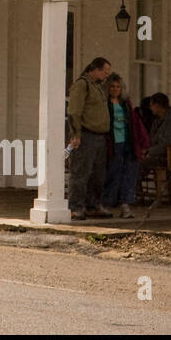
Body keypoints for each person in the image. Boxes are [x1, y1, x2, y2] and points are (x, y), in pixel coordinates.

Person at [67, 57, 113, 220]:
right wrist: (75, 134)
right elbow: (74, 111)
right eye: (105, 72)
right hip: (86, 135)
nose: (106, 76)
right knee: (80, 173)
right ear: (95, 69)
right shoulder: (82, 85)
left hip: (100, 137)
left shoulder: (98, 87)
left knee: (97, 174)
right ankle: (75, 206)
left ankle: (93, 205)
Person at [101, 74, 149, 218]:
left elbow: (136, 125)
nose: (115, 89)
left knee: (129, 174)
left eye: (118, 87)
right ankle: (107, 203)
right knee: (112, 174)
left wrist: (143, 143)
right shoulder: (104, 104)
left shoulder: (126, 104)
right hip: (112, 144)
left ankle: (125, 205)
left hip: (128, 143)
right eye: (112, 87)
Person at [140, 92, 171, 177]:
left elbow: (169, 143)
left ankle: (132, 187)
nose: (150, 108)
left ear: (158, 105)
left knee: (138, 164)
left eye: (151, 105)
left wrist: (149, 151)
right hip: (157, 154)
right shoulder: (157, 120)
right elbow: (152, 140)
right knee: (133, 160)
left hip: (170, 156)